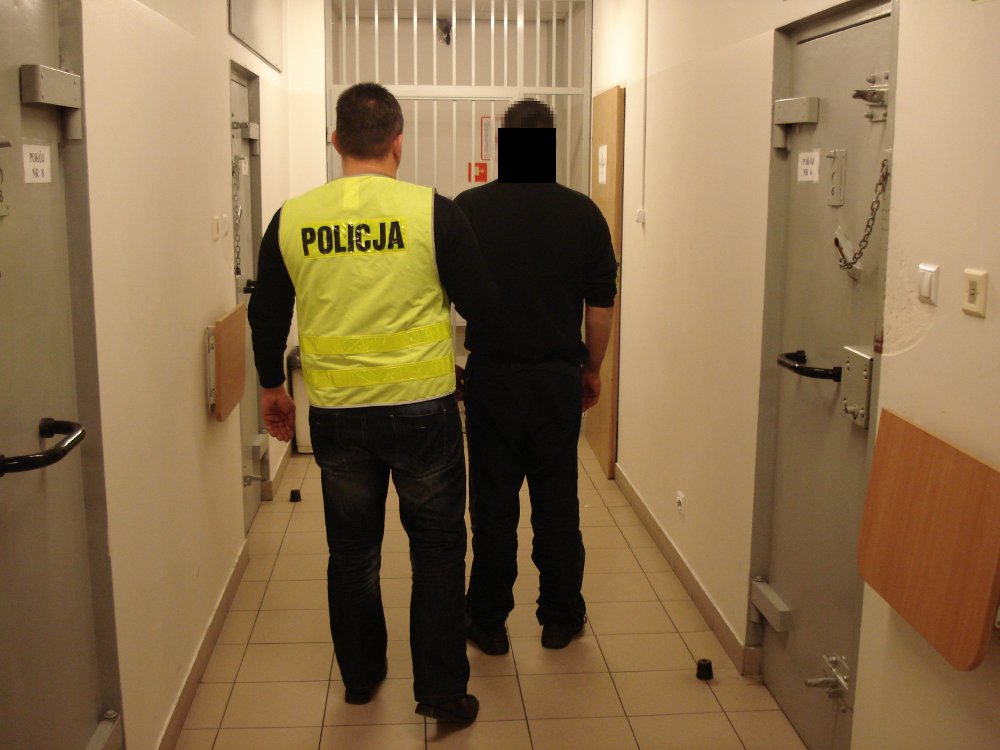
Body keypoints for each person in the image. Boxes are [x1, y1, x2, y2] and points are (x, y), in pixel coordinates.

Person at [248, 82, 496, 725]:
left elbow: (266, 312)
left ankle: (361, 678)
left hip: (337, 414)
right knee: (437, 551)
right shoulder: (433, 212)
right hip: (423, 412)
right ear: (398, 142)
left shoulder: (293, 218)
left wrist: (273, 386)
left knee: (353, 552)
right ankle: (440, 692)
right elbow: (482, 306)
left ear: (335, 141)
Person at [456, 99, 618, 654]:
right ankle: (560, 617)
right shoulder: (583, 213)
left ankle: (488, 621)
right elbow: (601, 307)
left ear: (504, 143)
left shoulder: (470, 209)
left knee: (493, 505)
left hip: (493, 378)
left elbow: (442, 294)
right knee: (557, 502)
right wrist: (591, 368)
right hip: (555, 378)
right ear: (550, 142)